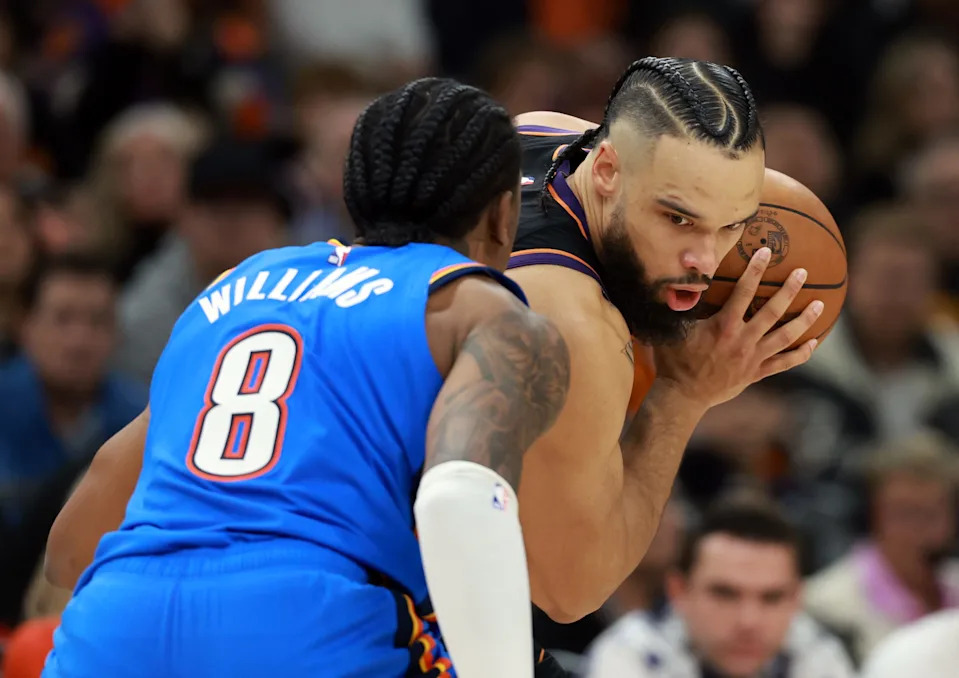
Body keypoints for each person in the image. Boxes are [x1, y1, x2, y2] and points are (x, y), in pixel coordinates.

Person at [41, 77, 571, 678]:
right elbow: (460, 500)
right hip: (302, 623)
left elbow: (69, 549)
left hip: (113, 626)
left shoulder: (232, 291)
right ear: (504, 212)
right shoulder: (483, 310)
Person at [507, 55, 823, 623]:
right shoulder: (572, 325)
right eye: (679, 219)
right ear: (607, 171)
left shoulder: (538, 132)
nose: (705, 261)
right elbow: (570, 591)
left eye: (732, 225)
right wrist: (683, 395)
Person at [583, 495, 855, 678]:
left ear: (797, 599)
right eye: (725, 594)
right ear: (678, 590)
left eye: (772, 598)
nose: (748, 621)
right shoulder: (629, 653)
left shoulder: (818, 654)